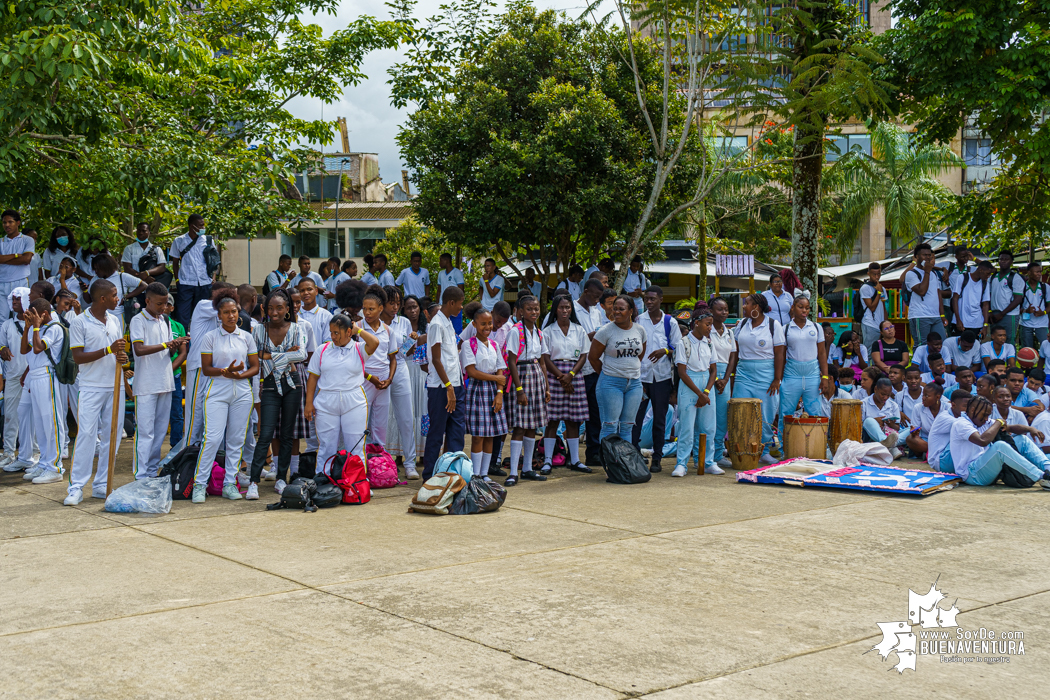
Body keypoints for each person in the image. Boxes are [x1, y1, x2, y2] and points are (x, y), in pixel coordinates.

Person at [190, 289, 260, 503]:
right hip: (217, 390)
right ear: (218, 315)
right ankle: (199, 485)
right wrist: (224, 372)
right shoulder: (210, 337)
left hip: (241, 392)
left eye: (234, 311)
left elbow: (255, 367)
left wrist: (239, 375)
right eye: (226, 312)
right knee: (211, 438)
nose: (231, 316)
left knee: (236, 439)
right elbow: (206, 368)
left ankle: (230, 483)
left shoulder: (246, 337)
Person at [62, 282, 127, 502]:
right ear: (102, 299)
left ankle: (102, 484)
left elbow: (117, 352)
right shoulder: (80, 322)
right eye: (114, 295)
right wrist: (109, 350)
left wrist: (121, 358)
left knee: (113, 436)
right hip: (91, 386)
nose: (118, 299)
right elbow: (78, 357)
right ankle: (77, 487)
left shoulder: (115, 320)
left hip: (115, 384)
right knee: (87, 435)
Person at [306, 292, 379, 474]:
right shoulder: (322, 350)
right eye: (331, 332)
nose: (333, 336)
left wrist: (359, 330)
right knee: (327, 447)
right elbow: (313, 378)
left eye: (337, 333)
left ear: (348, 332)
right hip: (326, 401)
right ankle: (323, 480)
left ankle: (358, 482)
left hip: (353, 400)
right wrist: (308, 404)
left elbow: (375, 342)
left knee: (355, 445)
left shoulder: (358, 348)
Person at [246, 289, 309, 498]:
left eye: (279, 307)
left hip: (293, 385)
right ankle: (254, 481)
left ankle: (281, 478)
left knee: (287, 434)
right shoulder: (258, 330)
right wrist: (285, 356)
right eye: (270, 307)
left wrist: (270, 356)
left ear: (287, 309)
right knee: (265, 434)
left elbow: (300, 355)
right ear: (264, 308)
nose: (274, 312)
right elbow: (255, 357)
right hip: (270, 385)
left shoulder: (297, 328)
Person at [130, 283, 186, 480]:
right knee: (145, 432)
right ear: (147, 301)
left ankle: (152, 471)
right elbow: (139, 349)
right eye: (159, 304)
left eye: (165, 304)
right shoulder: (138, 321)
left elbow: (170, 352)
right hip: (146, 384)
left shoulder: (165, 321)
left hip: (165, 382)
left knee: (160, 431)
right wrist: (165, 345)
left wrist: (175, 345)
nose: (163, 307)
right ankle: (140, 474)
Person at [726, 293, 785, 464]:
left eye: (747, 304)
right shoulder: (742, 324)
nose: (744, 306)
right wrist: (732, 374)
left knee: (766, 412)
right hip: (744, 372)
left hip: (766, 372)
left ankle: (764, 450)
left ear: (757, 307)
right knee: (740, 409)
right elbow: (735, 351)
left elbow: (780, 353)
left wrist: (777, 379)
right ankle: (742, 449)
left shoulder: (774, 325)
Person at [631, 286, 682, 472]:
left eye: (653, 299)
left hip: (662, 377)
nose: (649, 302)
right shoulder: (638, 321)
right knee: (636, 418)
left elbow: (679, 348)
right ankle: (635, 454)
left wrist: (666, 350)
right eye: (647, 299)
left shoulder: (670, 322)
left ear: (661, 299)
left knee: (660, 419)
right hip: (641, 377)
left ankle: (658, 458)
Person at [947, 396, 1050, 487]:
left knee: (1021, 439)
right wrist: (998, 422)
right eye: (984, 415)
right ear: (973, 410)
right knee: (999, 446)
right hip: (972, 474)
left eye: (988, 415)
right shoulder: (961, 423)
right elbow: (983, 441)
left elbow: (1010, 428)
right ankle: (1042, 477)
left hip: (985, 466)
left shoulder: (982, 420)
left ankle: (1048, 468)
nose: (987, 418)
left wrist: (1030, 429)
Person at [540, 296, 590, 474]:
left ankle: (575, 459)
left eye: (567, 307)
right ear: (555, 309)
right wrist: (561, 377)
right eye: (561, 307)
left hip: (574, 373)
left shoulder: (579, 330)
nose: (564, 311)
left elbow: (584, 355)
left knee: (572, 420)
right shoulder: (547, 331)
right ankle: (547, 460)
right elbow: (545, 357)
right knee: (552, 420)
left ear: (571, 309)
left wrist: (571, 375)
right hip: (554, 374)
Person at [19, 298, 66, 483]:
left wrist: (36, 326)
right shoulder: (35, 328)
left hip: (48, 375)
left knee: (52, 422)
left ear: (43, 314)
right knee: (40, 422)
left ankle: (55, 467)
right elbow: (24, 350)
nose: (31, 318)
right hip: (36, 376)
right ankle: (45, 462)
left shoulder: (54, 328)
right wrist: (27, 327)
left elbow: (38, 348)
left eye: (34, 315)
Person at [421, 286, 467, 479]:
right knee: (437, 432)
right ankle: (429, 475)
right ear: (451, 303)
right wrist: (448, 387)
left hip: (456, 384)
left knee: (457, 432)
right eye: (460, 303)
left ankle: (454, 474)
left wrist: (455, 386)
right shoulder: (436, 324)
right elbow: (437, 359)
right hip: (441, 387)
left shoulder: (448, 322)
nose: (461, 307)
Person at [589, 295, 647, 447]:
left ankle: (624, 463)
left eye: (621, 309)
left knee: (627, 425)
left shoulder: (639, 330)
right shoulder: (605, 331)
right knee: (610, 425)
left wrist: (628, 369)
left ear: (631, 311)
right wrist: (609, 372)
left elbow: (640, 354)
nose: (617, 312)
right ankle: (610, 464)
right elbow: (593, 357)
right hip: (610, 383)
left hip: (634, 384)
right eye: (615, 309)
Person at [504, 295, 549, 485]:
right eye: (529, 309)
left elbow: (543, 361)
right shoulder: (516, 332)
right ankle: (514, 471)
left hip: (536, 375)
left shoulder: (539, 333)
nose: (534, 312)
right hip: (522, 375)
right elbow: (512, 362)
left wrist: (546, 386)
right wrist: (519, 389)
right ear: (521, 311)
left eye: (536, 309)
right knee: (520, 426)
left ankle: (528, 468)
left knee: (533, 425)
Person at [183, 282, 232, 448]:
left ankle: (211, 465)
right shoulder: (203, 305)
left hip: (215, 371)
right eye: (227, 295)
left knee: (211, 419)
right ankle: (185, 463)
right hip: (199, 368)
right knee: (195, 418)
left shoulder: (224, 317)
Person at [461, 308, 508, 479]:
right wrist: (496, 380)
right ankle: (475, 473)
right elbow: (472, 371)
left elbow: (501, 368)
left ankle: (484, 472)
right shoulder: (469, 344)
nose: (487, 327)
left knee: (491, 434)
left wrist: (500, 393)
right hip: (477, 390)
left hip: (493, 391)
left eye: (489, 323)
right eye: (483, 323)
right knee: (479, 435)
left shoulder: (494, 345)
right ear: (474, 324)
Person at [778, 294, 831, 441]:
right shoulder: (785, 329)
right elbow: (781, 356)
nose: (804, 310)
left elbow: (822, 353)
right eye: (800, 307)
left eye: (807, 308)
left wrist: (825, 377)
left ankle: (816, 446)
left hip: (812, 373)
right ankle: (784, 447)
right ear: (793, 308)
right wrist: (779, 378)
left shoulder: (816, 327)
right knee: (786, 412)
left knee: (814, 411)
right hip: (791, 373)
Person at [674, 304, 718, 476]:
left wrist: (706, 392)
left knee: (708, 426)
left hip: (706, 383)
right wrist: (699, 394)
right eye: (707, 324)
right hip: (689, 385)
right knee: (687, 426)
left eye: (711, 324)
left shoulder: (709, 343)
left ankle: (707, 462)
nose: (710, 327)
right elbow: (681, 372)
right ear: (697, 323)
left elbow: (713, 370)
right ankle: (682, 463)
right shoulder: (683, 343)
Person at [381, 286, 420, 479]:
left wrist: (411, 342)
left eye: (398, 303)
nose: (395, 307)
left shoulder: (404, 322)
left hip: (401, 368)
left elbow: (404, 353)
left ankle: (410, 463)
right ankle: (377, 461)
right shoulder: (374, 322)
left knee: (406, 417)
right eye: (391, 303)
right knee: (378, 419)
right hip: (380, 370)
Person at [0, 290, 36, 472]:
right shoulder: (7, 324)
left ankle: (35, 453)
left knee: (34, 415)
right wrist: (3, 349)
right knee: (10, 415)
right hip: (13, 375)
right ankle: (8, 453)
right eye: (12, 299)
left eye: (17, 299)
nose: (13, 302)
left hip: (33, 374)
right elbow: (1, 344)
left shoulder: (36, 323)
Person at [573, 279, 604, 466]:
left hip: (594, 367)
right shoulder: (572, 310)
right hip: (577, 370)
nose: (597, 300)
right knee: (575, 415)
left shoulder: (597, 312)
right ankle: (572, 455)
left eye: (600, 297)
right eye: (595, 296)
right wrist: (589, 336)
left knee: (595, 413)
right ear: (585, 291)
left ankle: (593, 453)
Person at [169, 214, 215, 331]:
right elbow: (175, 263)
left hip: (204, 282)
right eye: (200, 225)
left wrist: (213, 277)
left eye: (203, 225)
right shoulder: (179, 241)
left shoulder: (208, 240)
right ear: (192, 226)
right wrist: (178, 280)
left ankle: (201, 339)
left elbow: (214, 261)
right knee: (183, 314)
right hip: (186, 283)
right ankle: (182, 342)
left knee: (203, 314)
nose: (203, 227)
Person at [708, 296, 735, 470]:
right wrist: (716, 379)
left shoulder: (730, 332)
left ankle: (718, 454)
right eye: (720, 309)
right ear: (711, 311)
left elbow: (732, 356)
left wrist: (725, 379)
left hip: (725, 376)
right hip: (710, 374)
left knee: (721, 417)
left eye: (726, 309)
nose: (724, 312)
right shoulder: (705, 330)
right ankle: (705, 455)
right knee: (708, 417)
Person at [903, 242, 946, 343]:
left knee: (941, 344)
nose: (927, 258)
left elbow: (938, 294)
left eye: (929, 255)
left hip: (935, 316)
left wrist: (942, 315)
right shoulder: (911, 274)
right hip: (920, 315)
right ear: (916, 257)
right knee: (922, 345)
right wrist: (927, 271)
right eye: (924, 255)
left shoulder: (934, 273)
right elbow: (922, 291)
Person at [0, 211, 36, 321]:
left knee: (22, 316)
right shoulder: (0, 241)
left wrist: (3, 259)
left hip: (20, 282)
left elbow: (26, 259)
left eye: (10, 222)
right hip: (2, 283)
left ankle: (23, 338)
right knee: (2, 319)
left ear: (18, 223)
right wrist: (15, 255)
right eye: (4, 222)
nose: (7, 225)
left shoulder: (27, 240)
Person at [90, 253, 147, 321]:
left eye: (98, 269)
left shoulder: (122, 277)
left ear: (105, 267)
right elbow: (89, 299)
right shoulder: (95, 279)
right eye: (94, 269)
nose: (96, 272)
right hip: (98, 316)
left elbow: (144, 285)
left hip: (117, 315)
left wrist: (127, 296)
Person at [927, 389, 971, 471]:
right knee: (971, 437)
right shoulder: (945, 418)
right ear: (953, 405)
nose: (968, 410)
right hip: (940, 460)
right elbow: (970, 427)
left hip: (947, 456)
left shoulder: (960, 416)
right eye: (965, 406)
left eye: (970, 407)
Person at [165, 294, 187, 447]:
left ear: (172, 308)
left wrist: (168, 370)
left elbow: (183, 353)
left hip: (174, 376)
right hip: (154, 377)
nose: (163, 307)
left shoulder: (178, 327)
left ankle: (176, 449)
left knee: (177, 414)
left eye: (167, 304)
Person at [951, 259, 993, 338]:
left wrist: (985, 326)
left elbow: (985, 305)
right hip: (961, 321)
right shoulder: (962, 278)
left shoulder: (985, 283)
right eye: (988, 273)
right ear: (980, 270)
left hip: (976, 323)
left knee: (975, 346)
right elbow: (955, 299)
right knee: (958, 345)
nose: (989, 276)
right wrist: (958, 320)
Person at [989, 250, 1024, 343]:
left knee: (1008, 341)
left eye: (1006, 259)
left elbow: (1018, 299)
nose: (1003, 261)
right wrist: (990, 312)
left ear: (1011, 261)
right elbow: (989, 296)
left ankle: (1011, 358)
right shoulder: (993, 277)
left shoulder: (1016, 277)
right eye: (1001, 259)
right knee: (995, 341)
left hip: (1009, 315)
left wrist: (1002, 314)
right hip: (994, 314)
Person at [904, 383, 946, 459]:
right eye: (923, 395)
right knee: (910, 439)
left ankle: (929, 453)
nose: (923, 398)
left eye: (927, 396)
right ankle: (938, 454)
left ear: (937, 397)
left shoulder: (947, 408)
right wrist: (914, 433)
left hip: (943, 441)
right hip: (925, 441)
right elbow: (915, 428)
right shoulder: (918, 408)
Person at [121, 222, 168, 286]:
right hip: (135, 287)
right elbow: (127, 268)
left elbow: (162, 267)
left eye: (144, 231)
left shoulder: (157, 249)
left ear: (149, 233)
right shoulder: (129, 248)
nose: (141, 233)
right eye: (139, 230)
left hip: (152, 287)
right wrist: (143, 278)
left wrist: (146, 273)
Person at [861, 377, 901, 454]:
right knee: (869, 420)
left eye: (888, 395)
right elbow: (859, 426)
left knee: (910, 429)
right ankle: (887, 443)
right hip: (869, 437)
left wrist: (891, 424)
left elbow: (897, 428)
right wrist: (874, 421)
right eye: (882, 394)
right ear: (875, 389)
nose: (885, 397)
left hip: (889, 433)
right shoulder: (864, 403)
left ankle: (887, 444)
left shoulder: (893, 405)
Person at [937, 245, 973, 327]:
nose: (965, 258)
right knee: (948, 328)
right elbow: (929, 265)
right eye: (963, 256)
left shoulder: (970, 270)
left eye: (967, 256)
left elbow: (987, 268)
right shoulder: (949, 265)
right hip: (948, 305)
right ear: (956, 257)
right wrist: (944, 269)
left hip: (963, 305)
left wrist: (974, 259)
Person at [1020, 261, 1049, 349]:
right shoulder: (1022, 287)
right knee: (1027, 350)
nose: (1039, 274)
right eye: (1037, 272)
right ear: (1029, 273)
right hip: (1026, 323)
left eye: (1040, 272)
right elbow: (1016, 307)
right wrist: (1026, 311)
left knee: (1047, 346)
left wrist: (1043, 312)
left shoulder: (1045, 287)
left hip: (1042, 323)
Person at [435, 252, 465, 333]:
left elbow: (461, 290)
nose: (439, 263)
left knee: (456, 328)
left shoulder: (457, 273)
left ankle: (457, 344)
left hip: (454, 305)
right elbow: (439, 290)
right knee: (443, 328)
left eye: (441, 261)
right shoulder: (441, 274)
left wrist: (459, 304)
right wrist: (437, 304)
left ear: (446, 261)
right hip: (443, 305)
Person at [858, 262, 886, 349]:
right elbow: (872, 307)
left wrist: (886, 323)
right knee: (869, 350)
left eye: (879, 274)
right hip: (870, 324)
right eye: (874, 274)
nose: (877, 277)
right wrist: (878, 292)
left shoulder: (882, 288)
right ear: (868, 274)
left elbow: (884, 306)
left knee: (878, 351)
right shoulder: (865, 288)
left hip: (880, 325)